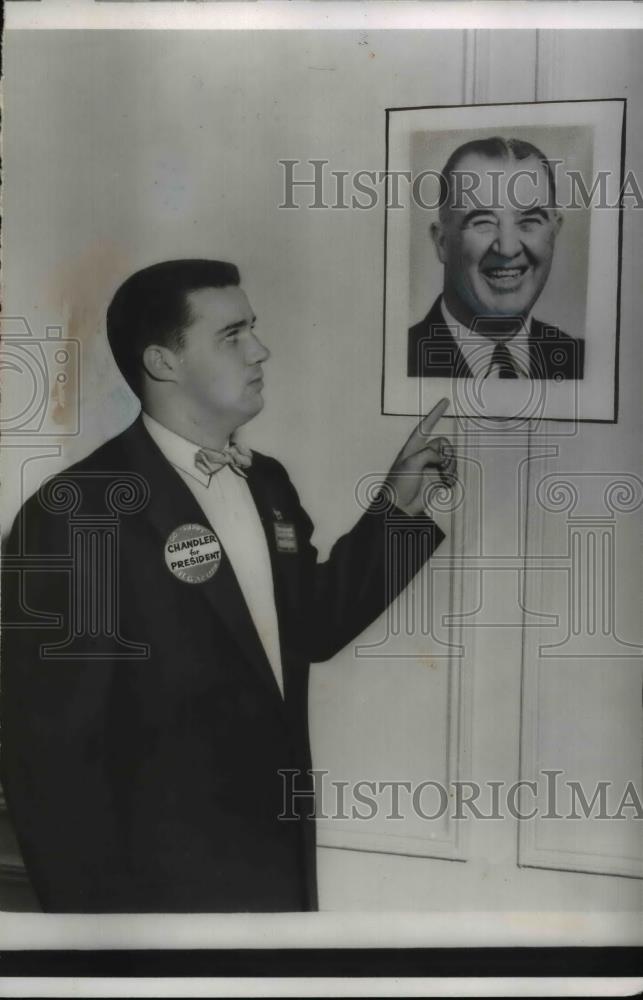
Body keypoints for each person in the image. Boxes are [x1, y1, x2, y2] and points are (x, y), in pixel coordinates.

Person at [1, 259, 455, 913]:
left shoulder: (266, 480)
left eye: (255, 329)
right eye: (233, 334)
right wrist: (91, 936)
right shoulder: (78, 511)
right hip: (153, 898)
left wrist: (397, 511)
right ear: (163, 362)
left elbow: (310, 628)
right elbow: (48, 754)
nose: (260, 350)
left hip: (275, 867)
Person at [407, 136, 585, 381]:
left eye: (529, 221)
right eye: (482, 222)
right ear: (442, 243)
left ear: (554, 232)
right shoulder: (400, 359)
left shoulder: (582, 364)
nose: (507, 249)